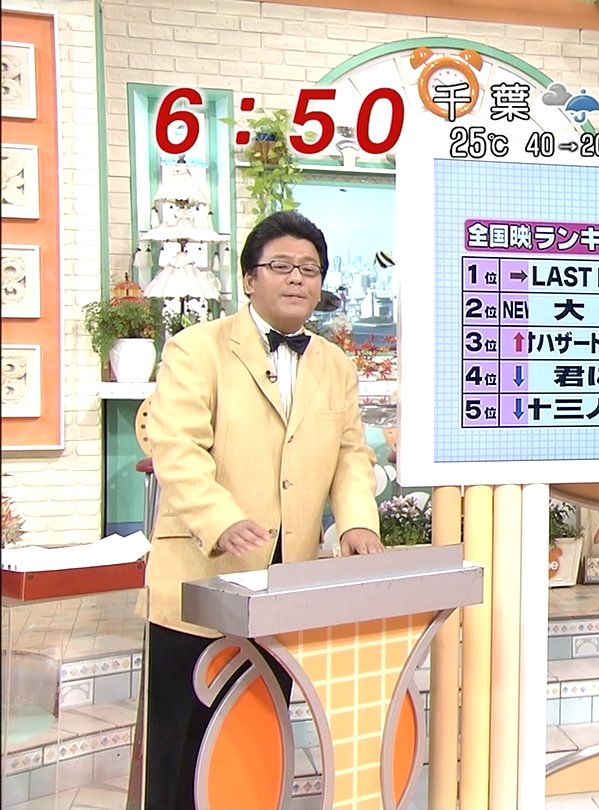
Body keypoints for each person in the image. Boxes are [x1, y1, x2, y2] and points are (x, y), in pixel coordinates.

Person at [141, 210, 383, 810]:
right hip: (199, 582)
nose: (297, 278)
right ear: (249, 279)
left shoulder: (335, 365)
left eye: (310, 269)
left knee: (255, 743)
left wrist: (356, 522)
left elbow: (351, 455)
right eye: (281, 266)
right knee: (183, 753)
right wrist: (220, 518)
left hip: (281, 589)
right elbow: (176, 445)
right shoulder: (197, 349)